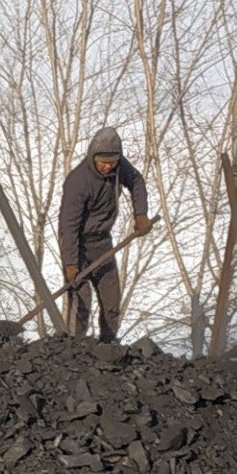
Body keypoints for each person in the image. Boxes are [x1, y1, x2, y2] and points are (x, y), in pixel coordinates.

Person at [58, 125, 153, 342]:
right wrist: (71, 264)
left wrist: (141, 214)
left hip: (103, 243)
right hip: (78, 245)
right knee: (81, 302)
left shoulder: (119, 166)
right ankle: (75, 348)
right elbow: (68, 227)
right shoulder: (77, 181)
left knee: (111, 300)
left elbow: (136, 181)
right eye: (103, 162)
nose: (107, 166)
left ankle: (108, 346)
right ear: (93, 157)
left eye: (112, 162)